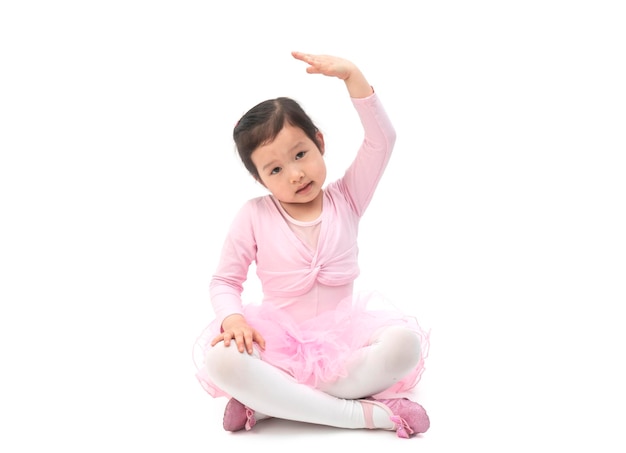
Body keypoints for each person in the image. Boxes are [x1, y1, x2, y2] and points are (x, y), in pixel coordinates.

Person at [193, 51, 430, 439]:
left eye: (300, 154)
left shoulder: (348, 198)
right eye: (275, 170)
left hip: (343, 348)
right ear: (260, 180)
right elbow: (224, 281)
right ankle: (367, 415)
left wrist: (353, 76)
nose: (296, 173)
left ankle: (269, 403)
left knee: (404, 346)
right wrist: (233, 320)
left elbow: (382, 140)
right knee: (221, 359)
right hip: (278, 348)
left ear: (320, 142)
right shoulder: (254, 215)